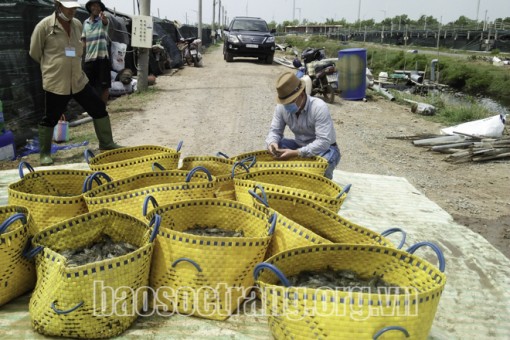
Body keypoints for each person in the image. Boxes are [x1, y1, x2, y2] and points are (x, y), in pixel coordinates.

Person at [29, 0, 122, 166]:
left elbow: (79, 48)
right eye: (68, 7)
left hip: (78, 80)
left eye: (74, 8)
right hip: (57, 82)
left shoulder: (78, 24)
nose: (72, 11)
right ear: (58, 6)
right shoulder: (44, 27)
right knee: (50, 117)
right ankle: (44, 154)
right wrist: (54, 66)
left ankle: (106, 143)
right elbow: (35, 52)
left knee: (98, 108)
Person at [266, 71, 341, 179]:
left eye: (290, 102)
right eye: (285, 102)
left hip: (325, 149)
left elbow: (323, 142)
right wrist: (272, 144)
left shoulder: (318, 107)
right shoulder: (281, 107)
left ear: (301, 94)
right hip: (299, 145)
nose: (286, 106)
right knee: (274, 151)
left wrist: (296, 153)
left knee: (322, 166)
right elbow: (275, 131)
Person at [81, 0, 110, 104]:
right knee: (88, 86)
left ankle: (103, 108)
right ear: (90, 8)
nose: (96, 8)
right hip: (89, 59)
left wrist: (104, 19)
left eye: (98, 6)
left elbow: (105, 23)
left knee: (104, 86)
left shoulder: (103, 20)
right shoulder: (85, 23)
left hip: (102, 58)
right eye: (94, 6)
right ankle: (93, 107)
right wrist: (80, 54)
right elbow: (83, 41)